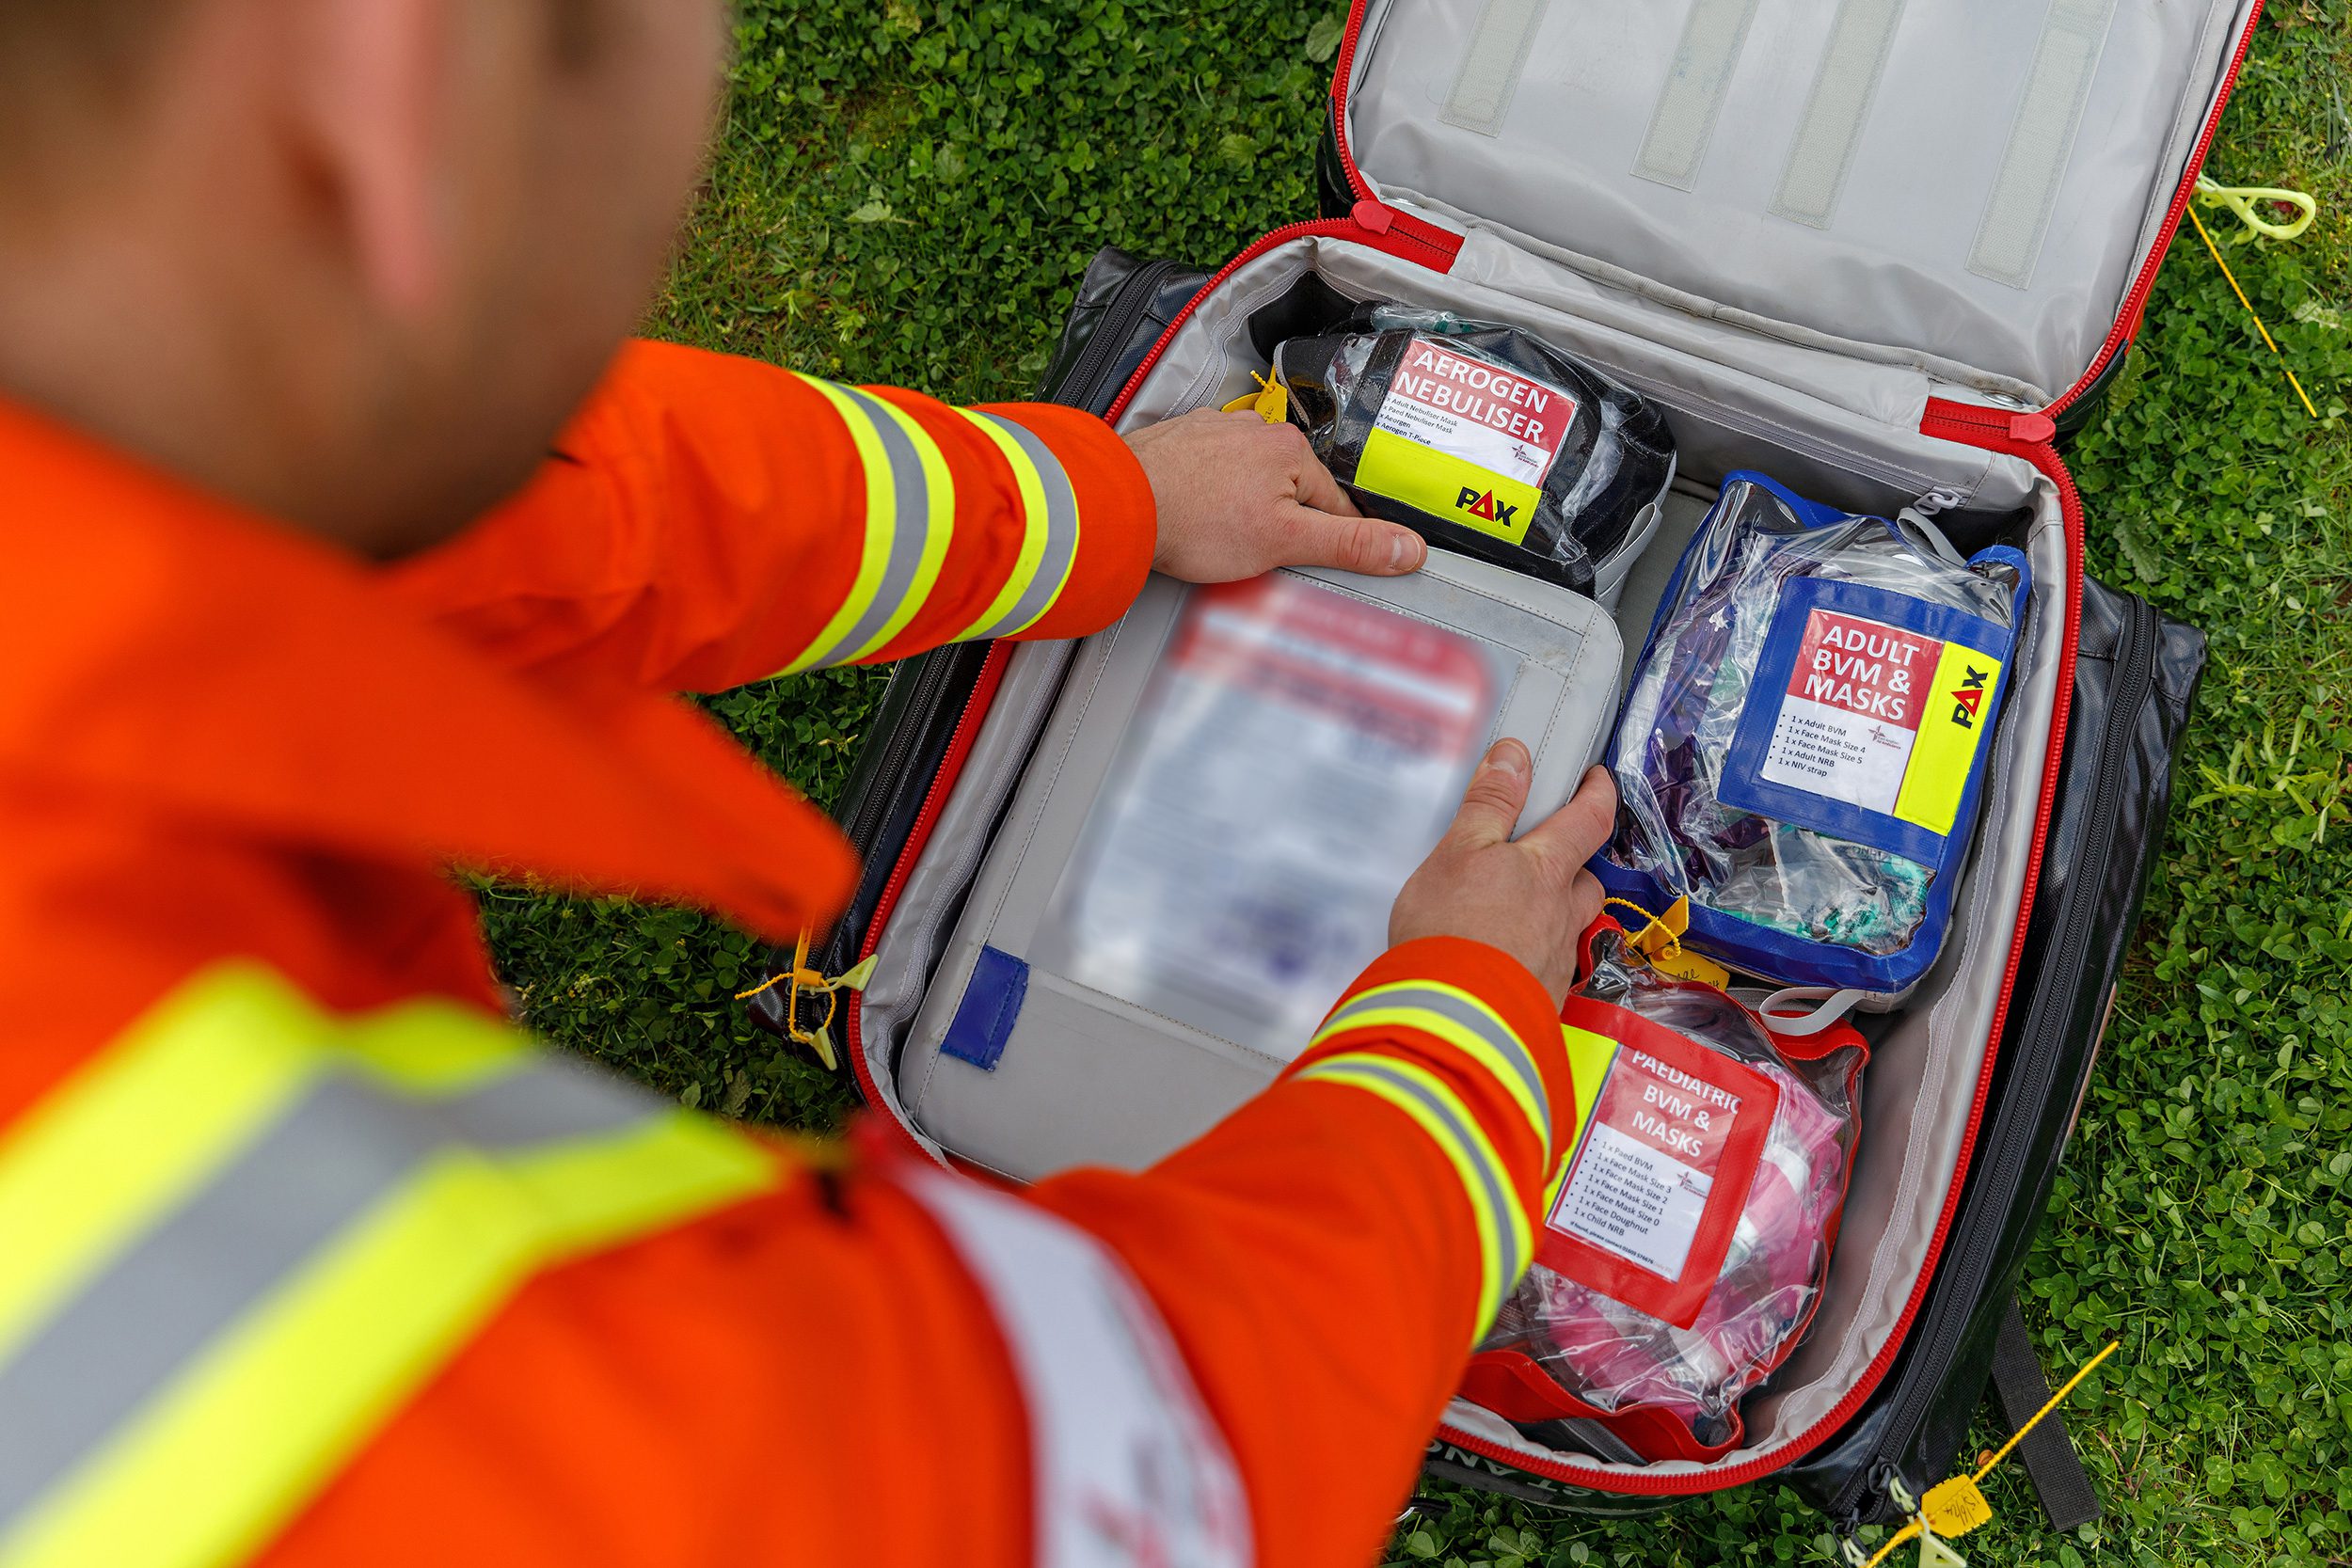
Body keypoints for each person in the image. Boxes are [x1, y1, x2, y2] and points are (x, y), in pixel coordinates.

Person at [0, 4, 1620, 1567]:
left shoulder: (136, 391)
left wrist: (1093, 501)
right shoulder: (411, 1405)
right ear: (373, 111)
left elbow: (593, 507)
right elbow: (1157, 1470)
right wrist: (1464, 1018)